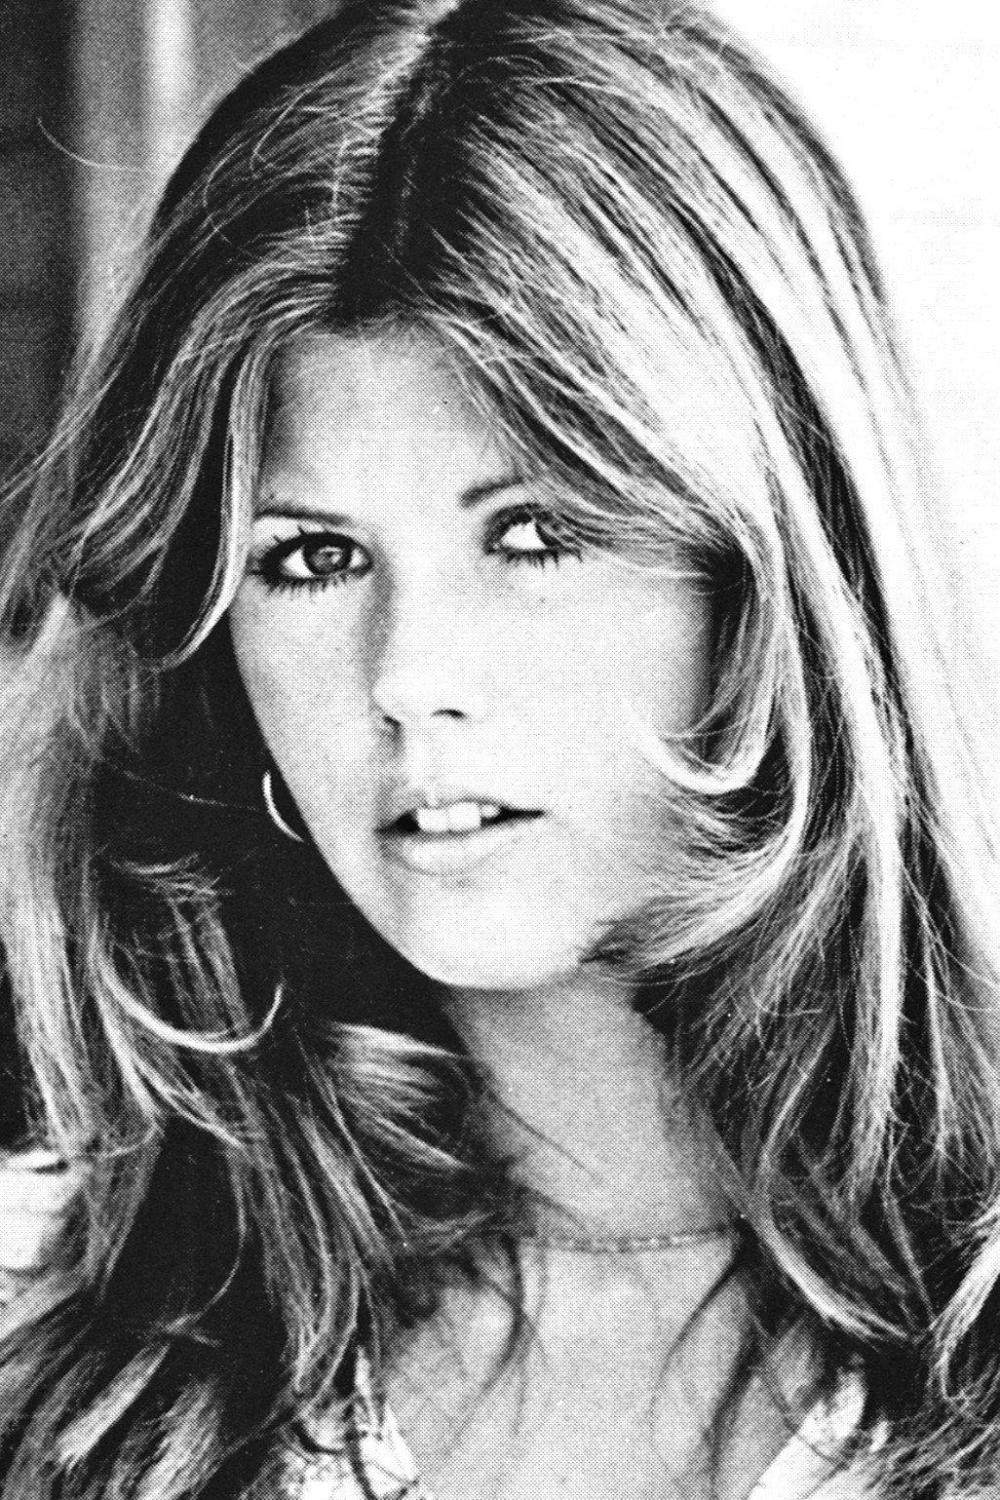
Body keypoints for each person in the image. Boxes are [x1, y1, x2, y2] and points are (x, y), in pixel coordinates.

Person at [0, 1, 997, 1495]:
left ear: (776, 575)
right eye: (311, 559)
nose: (409, 679)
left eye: (533, 536)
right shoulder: (50, 1338)